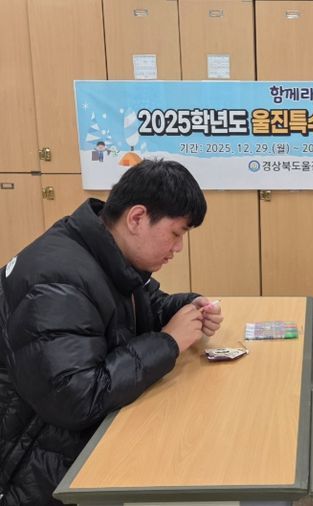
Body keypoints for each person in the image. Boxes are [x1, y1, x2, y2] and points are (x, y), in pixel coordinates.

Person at [0, 159, 223, 506]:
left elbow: (135, 310)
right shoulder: (57, 281)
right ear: (137, 218)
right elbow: (77, 398)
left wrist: (186, 308)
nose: (178, 248)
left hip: (67, 448)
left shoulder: (102, 250)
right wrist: (168, 341)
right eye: (176, 233)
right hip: (34, 468)